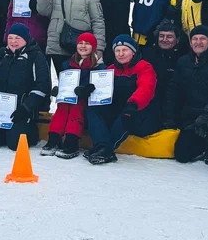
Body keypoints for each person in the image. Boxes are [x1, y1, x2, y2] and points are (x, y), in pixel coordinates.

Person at [82, 35, 159, 164]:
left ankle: (106, 149)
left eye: (125, 50)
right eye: (117, 51)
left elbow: (146, 88)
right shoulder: (111, 69)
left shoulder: (144, 67)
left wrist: (134, 103)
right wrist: (90, 90)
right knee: (92, 108)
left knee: (127, 114)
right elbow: (102, 91)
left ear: (133, 52)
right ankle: (102, 146)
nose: (121, 54)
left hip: (138, 110)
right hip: (117, 109)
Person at [0, 23, 52, 150]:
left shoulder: (35, 56)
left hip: (22, 109)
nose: (13, 41)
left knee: (15, 144)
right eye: (10, 38)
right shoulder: (1, 54)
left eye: (18, 38)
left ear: (26, 39)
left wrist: (26, 108)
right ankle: (4, 132)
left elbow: (42, 86)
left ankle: (27, 131)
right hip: (1, 109)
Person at [169, 25, 208, 165]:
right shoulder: (184, 62)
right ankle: (202, 144)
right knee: (181, 155)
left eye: (203, 39)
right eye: (195, 39)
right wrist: (170, 116)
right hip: (191, 118)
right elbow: (174, 90)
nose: (198, 42)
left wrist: (207, 115)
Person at [37, 0, 106, 71]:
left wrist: (99, 48)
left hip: (81, 47)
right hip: (57, 46)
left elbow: (97, 21)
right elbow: (43, 10)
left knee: (81, 82)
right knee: (64, 84)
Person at [43, 32, 105, 159]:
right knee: (62, 105)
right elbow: (66, 83)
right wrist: (59, 90)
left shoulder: (99, 66)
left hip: (86, 103)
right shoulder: (67, 64)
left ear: (93, 47)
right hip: (69, 99)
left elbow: (101, 86)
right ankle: (54, 138)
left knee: (76, 106)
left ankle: (72, 140)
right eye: (80, 43)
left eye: (87, 44)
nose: (83, 46)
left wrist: (87, 89)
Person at [145, 20, 184, 130]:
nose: (165, 40)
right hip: (152, 102)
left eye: (169, 37)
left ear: (177, 39)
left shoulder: (183, 58)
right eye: (161, 36)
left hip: (176, 105)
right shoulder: (147, 55)